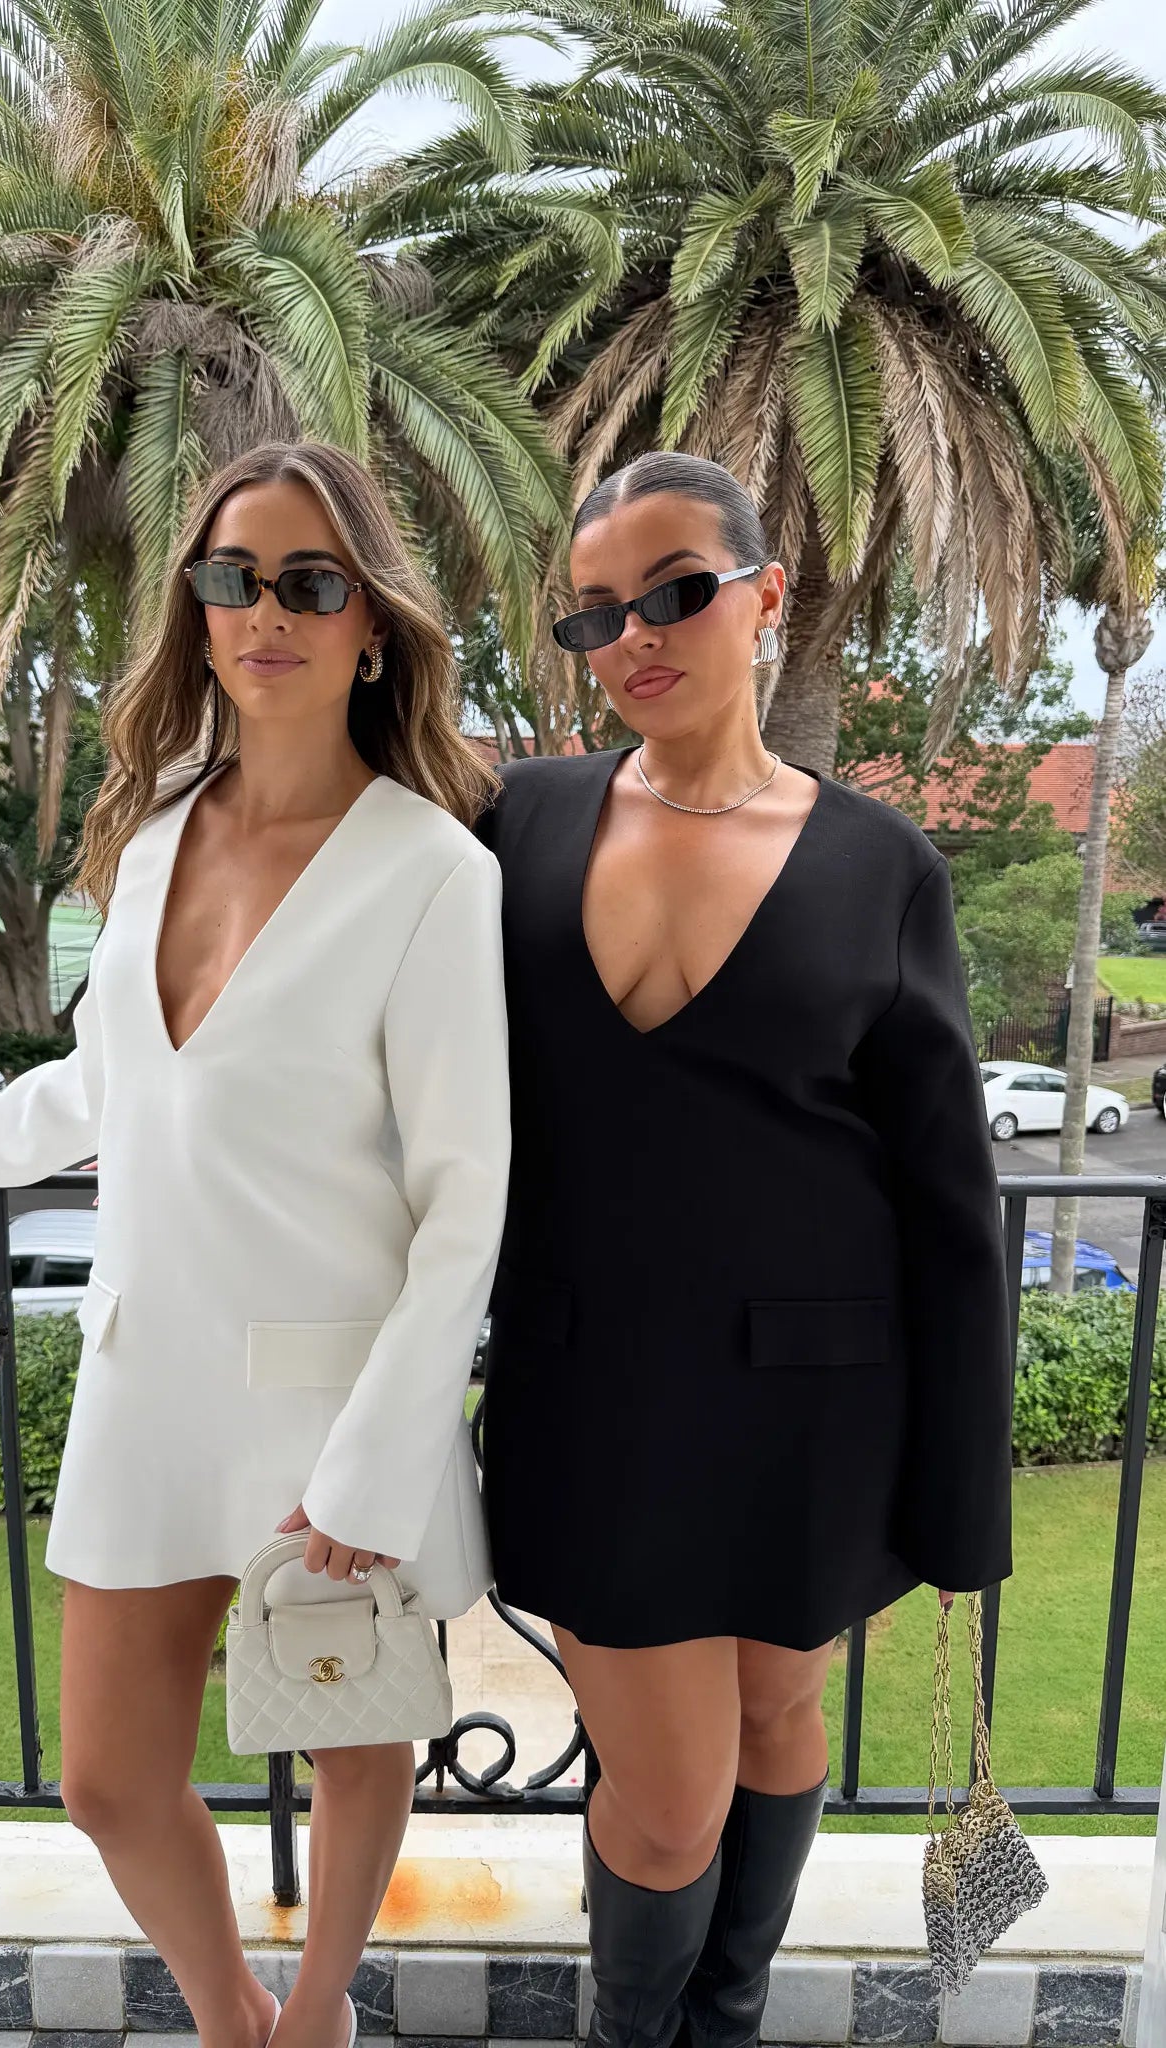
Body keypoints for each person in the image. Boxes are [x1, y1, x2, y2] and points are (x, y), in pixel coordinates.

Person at [0, 443, 511, 2048]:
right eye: (229, 577)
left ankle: (317, 2018)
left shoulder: (431, 873)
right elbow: (109, 1079)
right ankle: (231, 2020)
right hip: (146, 1388)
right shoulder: (155, 838)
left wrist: (376, 1468)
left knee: (353, 1742)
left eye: (309, 583)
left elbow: (466, 1197)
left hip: (333, 1408)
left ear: (370, 625)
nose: (265, 612)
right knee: (108, 1780)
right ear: (194, 608)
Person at [476, 452, 1012, 2048]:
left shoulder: (878, 865)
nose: (634, 635)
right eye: (594, 614)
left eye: (674, 592)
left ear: (766, 596)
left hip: (816, 1407)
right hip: (591, 1397)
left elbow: (945, 1196)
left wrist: (959, 1494)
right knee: (664, 1806)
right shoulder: (512, 822)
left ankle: (728, 2018)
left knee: (780, 1716)